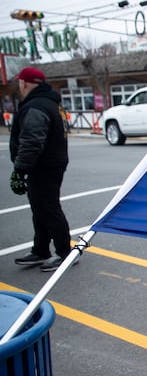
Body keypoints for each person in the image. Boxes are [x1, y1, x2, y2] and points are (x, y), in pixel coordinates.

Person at [9, 66, 75, 272]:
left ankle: (65, 253)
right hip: (50, 163)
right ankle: (40, 249)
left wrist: (19, 170)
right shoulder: (51, 104)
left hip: (43, 165)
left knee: (48, 207)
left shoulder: (36, 106)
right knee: (40, 208)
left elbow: (31, 141)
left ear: (24, 83)